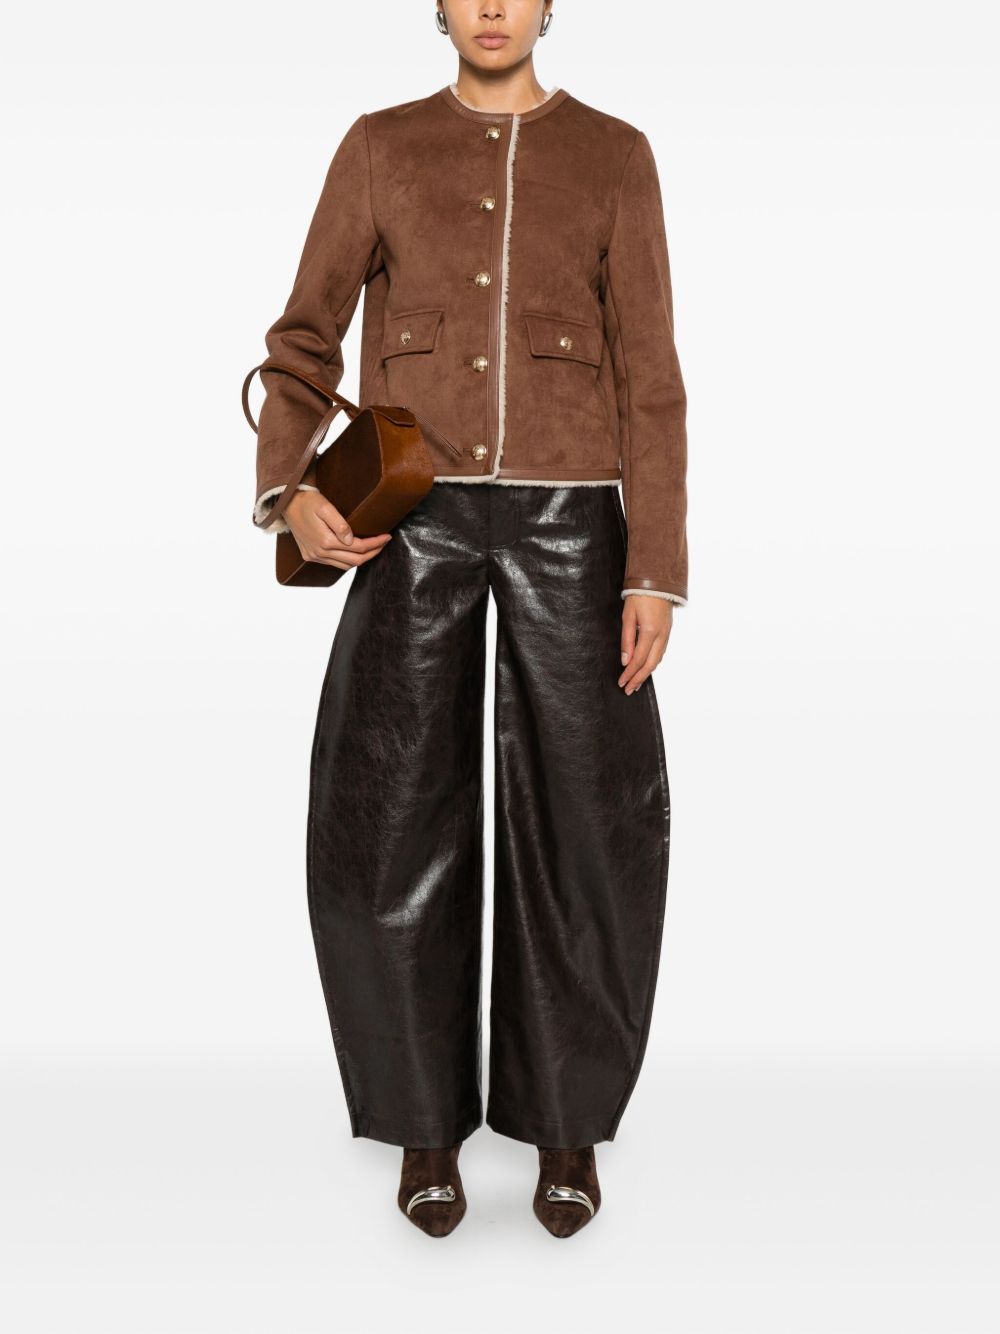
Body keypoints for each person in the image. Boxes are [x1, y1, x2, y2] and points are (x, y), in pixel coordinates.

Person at [249, 0, 688, 1239]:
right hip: (414, 517)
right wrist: (287, 492)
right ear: (436, 6)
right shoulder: (380, 145)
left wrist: (653, 566)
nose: (492, 5)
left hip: (574, 523)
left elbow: (651, 376)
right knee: (387, 820)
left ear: (550, 5)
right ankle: (423, 1126)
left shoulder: (616, 154)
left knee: (588, 831)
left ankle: (565, 1125)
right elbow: (302, 343)